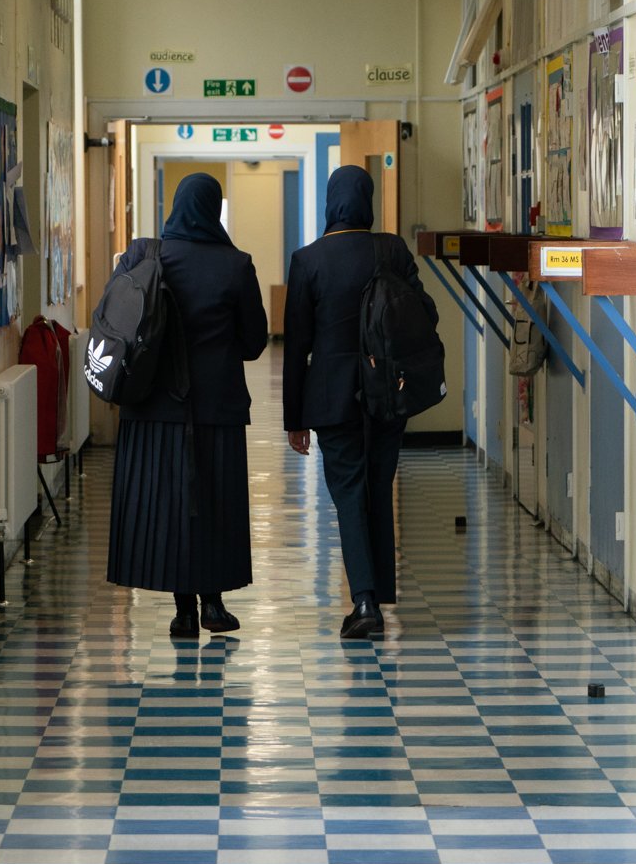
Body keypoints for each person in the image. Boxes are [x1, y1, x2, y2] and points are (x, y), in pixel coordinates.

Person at [107, 173, 269, 637]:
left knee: (167, 504)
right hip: (216, 408)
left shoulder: (144, 257)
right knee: (214, 503)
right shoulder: (236, 265)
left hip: (151, 406)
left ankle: (182, 613)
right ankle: (214, 606)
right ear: (214, 208)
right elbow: (255, 342)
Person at [283, 165, 439, 638]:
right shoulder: (390, 249)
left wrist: (295, 418)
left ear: (331, 202)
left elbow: (296, 345)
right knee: (378, 487)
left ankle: (365, 601)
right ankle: (378, 595)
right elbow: (425, 313)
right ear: (367, 199)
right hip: (388, 392)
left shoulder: (308, 260)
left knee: (349, 494)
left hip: (331, 397)